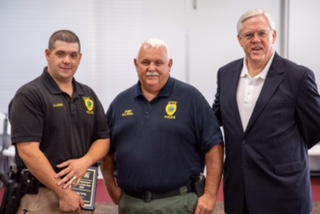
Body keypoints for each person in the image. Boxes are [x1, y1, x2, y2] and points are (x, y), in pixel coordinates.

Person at [212, 9, 320, 214]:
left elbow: (315, 130)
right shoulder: (226, 73)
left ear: (274, 36)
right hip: (239, 191)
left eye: (262, 33)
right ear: (239, 40)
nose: (256, 40)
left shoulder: (298, 77)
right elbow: (218, 116)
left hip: (284, 191)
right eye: (248, 35)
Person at [100, 38, 224, 214]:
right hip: (131, 204)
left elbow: (214, 146)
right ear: (136, 64)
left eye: (158, 62)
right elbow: (105, 150)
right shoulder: (120, 103)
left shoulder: (191, 98)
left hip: (180, 203)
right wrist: (111, 187)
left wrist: (211, 194)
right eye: (145, 62)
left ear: (170, 64)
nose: (152, 68)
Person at [8, 29, 110, 213]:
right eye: (60, 54)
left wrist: (86, 161)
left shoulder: (88, 95)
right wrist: (63, 193)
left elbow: (103, 138)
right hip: (42, 196)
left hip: (81, 194)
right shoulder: (30, 95)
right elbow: (28, 151)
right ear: (48, 55)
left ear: (80, 58)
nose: (67, 61)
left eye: (73, 55)